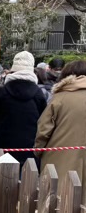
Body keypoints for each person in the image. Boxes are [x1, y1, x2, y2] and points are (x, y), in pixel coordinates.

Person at [35, 60, 86, 197]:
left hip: (59, 158)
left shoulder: (59, 97)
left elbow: (43, 129)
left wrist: (39, 150)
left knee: (58, 203)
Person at [0, 51, 47, 166]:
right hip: (30, 146)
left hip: (5, 144)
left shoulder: (4, 91)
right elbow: (43, 119)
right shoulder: (38, 93)